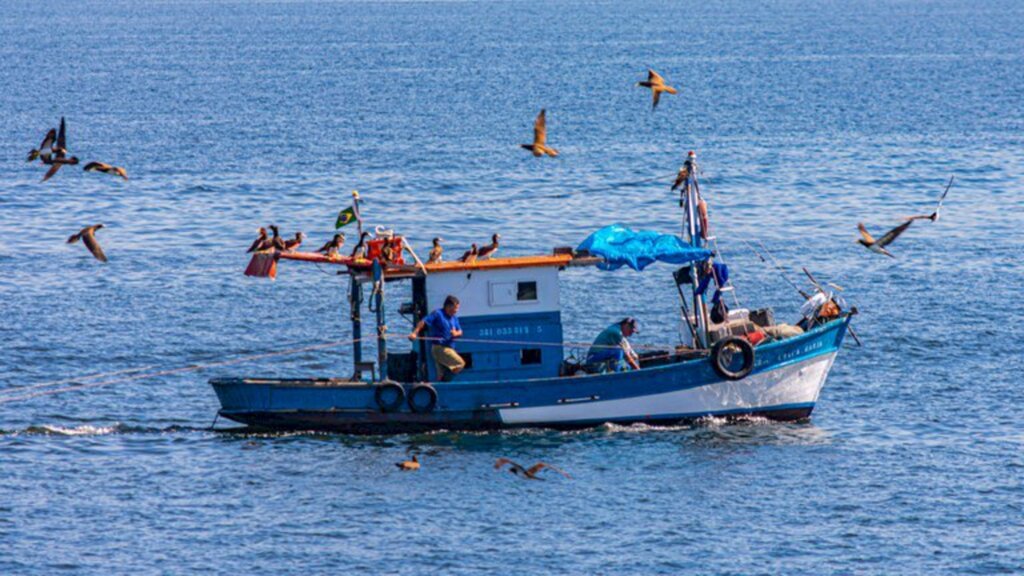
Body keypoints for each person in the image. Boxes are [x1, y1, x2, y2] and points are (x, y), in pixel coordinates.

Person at [409, 295, 465, 381]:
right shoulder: (438, 314)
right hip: (440, 348)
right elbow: (423, 322)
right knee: (460, 364)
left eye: (457, 308)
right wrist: (414, 333)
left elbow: (460, 331)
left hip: (449, 348)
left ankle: (441, 388)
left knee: (440, 374)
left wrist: (456, 333)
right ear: (447, 306)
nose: (456, 311)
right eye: (454, 308)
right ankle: (446, 379)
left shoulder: (454, 318)